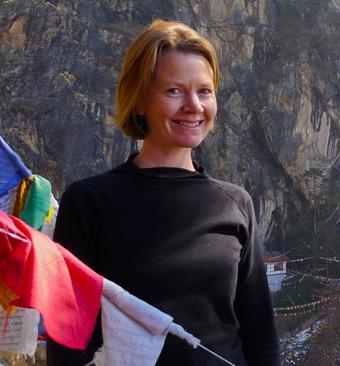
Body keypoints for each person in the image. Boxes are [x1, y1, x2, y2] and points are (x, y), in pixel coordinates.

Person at [46, 19, 279, 366]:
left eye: (204, 91)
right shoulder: (89, 202)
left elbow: (260, 333)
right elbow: (67, 340)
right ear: (139, 100)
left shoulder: (235, 204)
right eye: (174, 91)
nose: (194, 106)